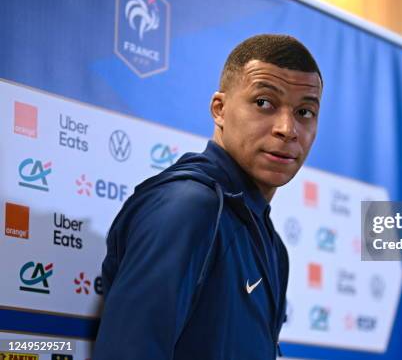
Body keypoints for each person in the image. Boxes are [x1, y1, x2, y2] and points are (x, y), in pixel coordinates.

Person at [93, 34, 322, 359]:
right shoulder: (189, 206)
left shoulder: (272, 244)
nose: (288, 128)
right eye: (264, 103)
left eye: (305, 112)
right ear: (220, 109)